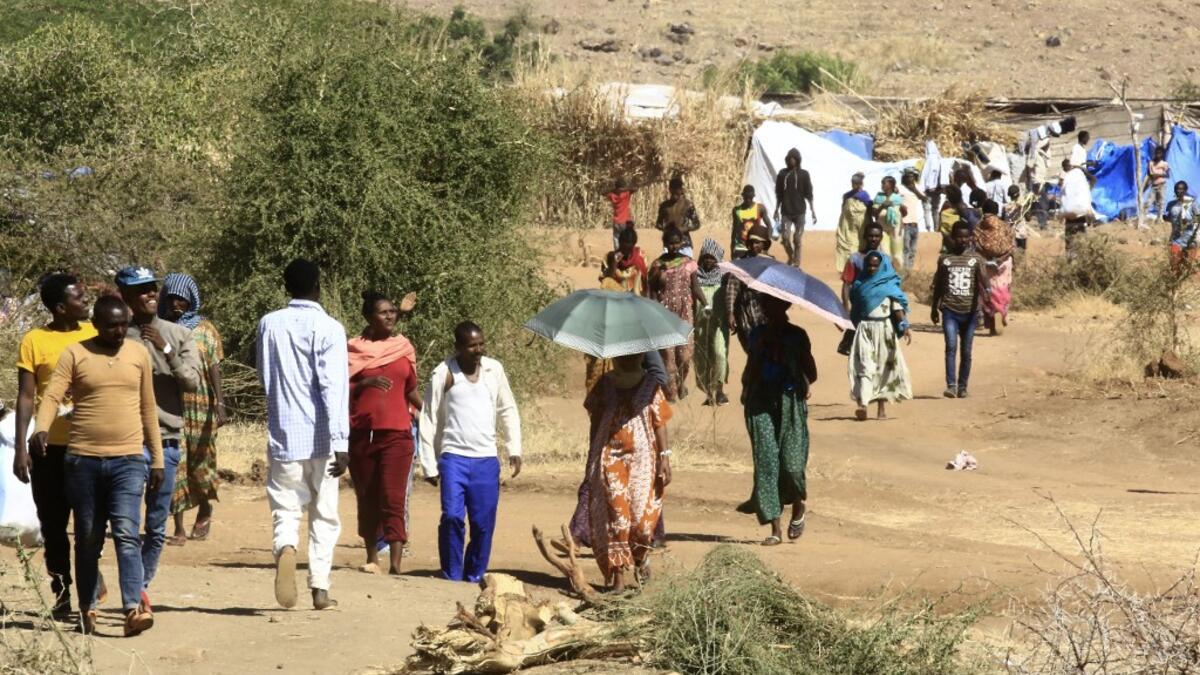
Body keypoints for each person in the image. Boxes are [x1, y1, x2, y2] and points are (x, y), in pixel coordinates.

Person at [31, 295, 162, 636]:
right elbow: (52, 396)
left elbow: (148, 408)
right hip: (83, 461)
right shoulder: (76, 353)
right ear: (96, 323)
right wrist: (41, 429)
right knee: (88, 537)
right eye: (111, 325)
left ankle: (133, 608)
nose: (118, 331)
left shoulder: (138, 353)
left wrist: (157, 459)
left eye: (123, 324)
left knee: (127, 534)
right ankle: (87, 608)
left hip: (129, 461)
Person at [257, 259, 350, 610]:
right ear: (318, 286)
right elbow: (333, 386)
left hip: (284, 432)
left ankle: (285, 547)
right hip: (323, 437)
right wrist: (342, 441)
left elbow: (265, 376)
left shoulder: (269, 324)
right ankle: (320, 588)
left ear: (286, 286)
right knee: (324, 511)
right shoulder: (329, 327)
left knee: (286, 506)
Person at [117, 266, 201, 610]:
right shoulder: (115, 336)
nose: (151, 295)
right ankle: (135, 595)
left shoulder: (180, 335)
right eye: (142, 290)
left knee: (155, 525)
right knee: (124, 525)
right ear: (125, 297)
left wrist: (166, 350)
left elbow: (192, 382)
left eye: (154, 289)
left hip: (165, 440)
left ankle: (141, 584)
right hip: (124, 441)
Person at [13, 273, 97, 619]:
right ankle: (62, 592)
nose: (85, 300)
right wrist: (21, 447)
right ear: (61, 307)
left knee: (90, 525)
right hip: (48, 448)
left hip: (89, 446)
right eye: (79, 297)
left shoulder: (95, 334)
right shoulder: (34, 340)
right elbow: (27, 396)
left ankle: (89, 590)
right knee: (53, 526)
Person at [419, 322, 522, 583]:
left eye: (481, 344)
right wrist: (429, 464)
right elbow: (428, 418)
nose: (478, 350)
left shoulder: (493, 370)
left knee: (483, 523)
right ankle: (452, 574)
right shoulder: (444, 372)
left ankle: (474, 574)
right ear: (458, 348)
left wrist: (514, 448)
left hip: (486, 459)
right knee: (452, 516)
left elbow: (507, 408)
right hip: (453, 458)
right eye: (471, 345)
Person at [583, 354, 672, 591]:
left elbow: (660, 422)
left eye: (633, 356)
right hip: (609, 457)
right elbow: (595, 420)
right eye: (624, 356)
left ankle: (641, 558)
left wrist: (665, 457)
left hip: (644, 461)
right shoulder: (605, 384)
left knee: (643, 525)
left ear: (641, 356)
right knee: (618, 520)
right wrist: (592, 456)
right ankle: (618, 578)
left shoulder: (651, 385)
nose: (628, 360)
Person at [348, 292, 421, 576]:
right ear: (369, 317)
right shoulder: (352, 349)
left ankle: (396, 564)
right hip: (362, 435)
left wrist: (430, 413)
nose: (390, 316)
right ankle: (371, 558)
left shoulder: (403, 347)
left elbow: (411, 389)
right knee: (367, 497)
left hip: (398, 435)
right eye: (383, 312)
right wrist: (364, 382)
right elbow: (339, 387)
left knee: (393, 497)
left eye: (393, 311)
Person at [737, 295, 817, 546]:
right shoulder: (757, 335)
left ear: (785, 307)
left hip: (789, 401)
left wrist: (793, 366)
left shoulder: (797, 336)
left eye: (774, 305)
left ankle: (798, 505)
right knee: (767, 462)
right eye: (765, 306)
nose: (769, 311)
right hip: (760, 401)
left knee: (792, 466)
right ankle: (775, 529)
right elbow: (750, 367)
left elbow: (812, 373)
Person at [156, 273, 227, 546]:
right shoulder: (158, 328)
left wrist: (220, 403)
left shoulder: (205, 330)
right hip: (170, 406)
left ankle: (206, 508)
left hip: (202, 406)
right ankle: (178, 527)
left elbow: (214, 368)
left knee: (201, 460)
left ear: (191, 300)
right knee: (175, 462)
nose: (176, 304)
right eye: (172, 298)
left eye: (182, 299)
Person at [848, 252, 912, 421]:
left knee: (884, 368)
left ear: (882, 266)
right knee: (864, 365)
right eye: (869, 265)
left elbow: (897, 308)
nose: (872, 268)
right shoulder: (860, 285)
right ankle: (863, 404)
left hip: (885, 330)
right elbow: (855, 310)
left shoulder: (890, 286)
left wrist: (904, 325)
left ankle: (881, 408)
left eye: (875, 265)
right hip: (864, 329)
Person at [931, 223, 988, 399]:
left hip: (970, 313)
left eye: (965, 236)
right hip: (949, 310)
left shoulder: (977, 260)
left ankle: (963, 386)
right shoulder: (945, 260)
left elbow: (984, 282)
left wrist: (987, 301)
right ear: (953, 237)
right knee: (950, 347)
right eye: (958, 236)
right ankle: (951, 385)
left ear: (970, 238)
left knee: (966, 351)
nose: (962, 240)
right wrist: (934, 308)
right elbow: (939, 285)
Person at [649, 228, 705, 401]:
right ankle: (671, 392)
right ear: (665, 243)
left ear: (682, 243)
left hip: (684, 313)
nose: (673, 246)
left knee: (685, 355)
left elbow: (695, 287)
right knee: (668, 354)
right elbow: (651, 290)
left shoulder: (689, 263)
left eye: (676, 242)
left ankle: (681, 382)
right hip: (664, 314)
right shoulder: (658, 265)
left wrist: (706, 304)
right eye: (670, 243)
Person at [725, 225, 774, 351]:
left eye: (757, 243)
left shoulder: (772, 264)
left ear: (765, 244)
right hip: (746, 314)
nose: (753, 246)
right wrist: (730, 313)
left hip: (767, 314)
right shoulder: (741, 263)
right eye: (751, 243)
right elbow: (732, 289)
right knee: (752, 351)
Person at [693, 239, 730, 406]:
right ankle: (708, 392)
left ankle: (720, 389)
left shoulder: (724, 276)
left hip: (719, 324)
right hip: (699, 324)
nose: (709, 261)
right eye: (706, 257)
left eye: (713, 258)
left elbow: (730, 297)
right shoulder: (694, 275)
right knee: (702, 357)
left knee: (720, 354)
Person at [774, 148, 815, 267]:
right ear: (787, 160)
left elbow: (809, 193)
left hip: (800, 212)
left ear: (797, 160)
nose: (791, 161)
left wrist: (813, 210)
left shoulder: (804, 174)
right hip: (786, 212)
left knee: (797, 238)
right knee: (785, 237)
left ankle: (797, 262)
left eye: (794, 159)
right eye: (789, 159)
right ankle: (791, 256)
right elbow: (779, 193)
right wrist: (776, 209)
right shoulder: (782, 174)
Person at [840, 224, 886, 313]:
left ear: (881, 238)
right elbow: (846, 284)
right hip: (859, 306)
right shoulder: (855, 259)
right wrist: (845, 307)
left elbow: (891, 285)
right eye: (870, 236)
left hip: (881, 307)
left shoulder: (886, 260)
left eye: (877, 236)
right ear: (864, 236)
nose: (873, 239)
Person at [835, 172, 872, 273]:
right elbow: (843, 210)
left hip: (861, 225)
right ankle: (847, 269)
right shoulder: (847, 195)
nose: (855, 185)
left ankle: (857, 268)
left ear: (861, 184)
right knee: (847, 245)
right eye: (853, 183)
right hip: (848, 225)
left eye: (857, 183)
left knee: (860, 245)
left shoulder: (864, 196)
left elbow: (869, 209)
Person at [655, 175, 701, 255]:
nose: (674, 195)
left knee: (687, 266)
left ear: (681, 190)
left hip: (685, 244)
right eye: (672, 192)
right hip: (668, 244)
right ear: (669, 190)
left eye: (677, 192)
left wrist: (684, 228)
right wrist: (667, 229)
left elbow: (697, 224)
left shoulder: (688, 205)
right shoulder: (664, 206)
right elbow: (658, 224)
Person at [1059, 158, 1094, 258]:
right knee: (1081, 248)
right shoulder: (1084, 186)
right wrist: (1081, 168)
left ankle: (1069, 268)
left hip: (1069, 222)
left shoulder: (1066, 182)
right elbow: (1093, 179)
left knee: (1070, 248)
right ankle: (1080, 268)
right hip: (1081, 221)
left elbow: (1062, 198)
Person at [730, 185, 773, 259]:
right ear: (743, 196)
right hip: (740, 247)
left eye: (750, 197)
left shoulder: (759, 208)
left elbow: (769, 226)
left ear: (753, 197)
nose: (748, 199)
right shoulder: (736, 210)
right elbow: (734, 230)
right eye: (746, 197)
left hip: (754, 247)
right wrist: (732, 247)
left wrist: (765, 245)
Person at [1166, 181, 1200, 270]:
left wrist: (1189, 221)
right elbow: (1169, 218)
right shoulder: (1171, 204)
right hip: (1176, 237)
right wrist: (1166, 218)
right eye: (1176, 189)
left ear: (1185, 190)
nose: (1178, 191)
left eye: (1181, 189)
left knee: (1189, 265)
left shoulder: (1191, 203)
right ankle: (1174, 282)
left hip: (1190, 238)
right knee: (1174, 263)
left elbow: (1198, 218)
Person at [872, 176, 906, 263]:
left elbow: (904, 214)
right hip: (882, 229)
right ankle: (887, 274)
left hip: (896, 229)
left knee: (897, 255)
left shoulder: (898, 198)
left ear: (891, 185)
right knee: (885, 254)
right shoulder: (879, 197)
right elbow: (874, 213)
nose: (882, 185)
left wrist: (902, 208)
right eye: (882, 183)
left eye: (884, 183)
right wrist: (882, 206)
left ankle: (900, 273)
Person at [899, 170, 927, 270]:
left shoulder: (917, 188)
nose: (911, 178)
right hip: (905, 222)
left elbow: (924, 199)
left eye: (912, 176)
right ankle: (904, 269)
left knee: (913, 249)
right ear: (905, 178)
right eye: (908, 177)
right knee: (906, 248)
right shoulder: (900, 188)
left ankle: (910, 269)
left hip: (915, 223)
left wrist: (914, 189)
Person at [606, 177, 636, 249]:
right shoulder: (626, 194)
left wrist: (615, 190)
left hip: (616, 222)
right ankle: (626, 256)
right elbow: (634, 188)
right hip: (625, 221)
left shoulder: (612, 195)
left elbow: (604, 193)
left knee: (616, 239)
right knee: (627, 240)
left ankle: (618, 256)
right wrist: (626, 189)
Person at [1145, 147, 1170, 222]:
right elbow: (1149, 174)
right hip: (1154, 185)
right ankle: (1144, 216)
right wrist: (1152, 176)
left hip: (1162, 185)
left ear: (1162, 154)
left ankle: (1160, 218)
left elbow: (1168, 175)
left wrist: (1159, 174)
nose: (1158, 155)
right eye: (1157, 153)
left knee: (1161, 202)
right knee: (1149, 201)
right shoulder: (1151, 163)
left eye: (1160, 153)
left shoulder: (1164, 164)